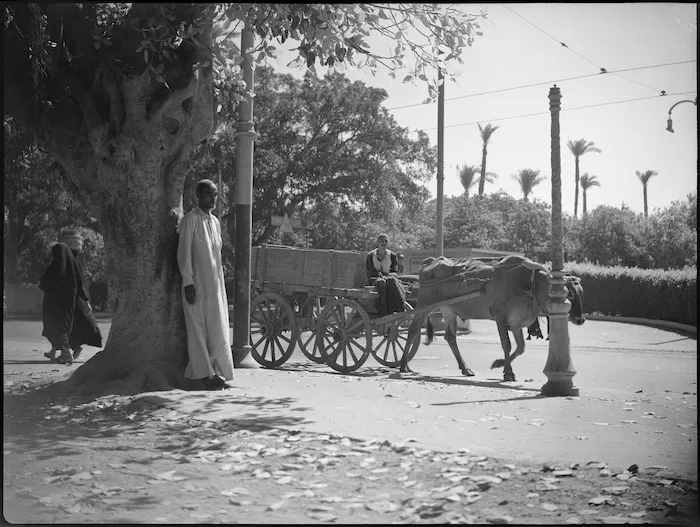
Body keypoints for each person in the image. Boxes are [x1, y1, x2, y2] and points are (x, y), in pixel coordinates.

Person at [177, 179, 234, 390]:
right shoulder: (189, 221)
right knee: (198, 329)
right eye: (209, 194)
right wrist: (188, 281)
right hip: (196, 285)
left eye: (215, 195)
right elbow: (184, 254)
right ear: (198, 196)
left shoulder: (216, 222)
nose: (213, 198)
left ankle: (218, 371)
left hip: (215, 285)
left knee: (216, 327)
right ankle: (204, 375)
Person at [39, 231, 102, 365]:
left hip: (62, 303)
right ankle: (59, 351)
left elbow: (48, 282)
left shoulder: (67, 264)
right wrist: (85, 300)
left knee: (60, 326)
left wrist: (84, 300)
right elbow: (79, 284)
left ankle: (66, 353)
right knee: (59, 326)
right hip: (67, 302)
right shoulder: (70, 263)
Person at [365, 233, 406, 317]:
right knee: (381, 283)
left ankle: (399, 307)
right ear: (377, 243)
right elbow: (369, 271)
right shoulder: (370, 255)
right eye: (381, 241)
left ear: (388, 243)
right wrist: (380, 275)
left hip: (389, 277)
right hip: (375, 279)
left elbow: (395, 270)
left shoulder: (392, 255)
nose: (383, 243)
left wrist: (388, 275)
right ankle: (383, 311)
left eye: (385, 241)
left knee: (391, 280)